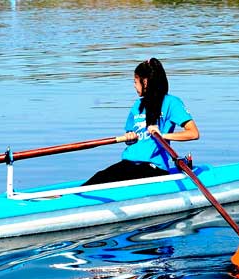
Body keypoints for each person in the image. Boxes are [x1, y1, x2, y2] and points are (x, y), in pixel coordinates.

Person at [83, 58, 199, 186]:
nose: (134, 85)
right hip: (129, 163)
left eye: (135, 82)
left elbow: (193, 133)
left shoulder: (172, 102)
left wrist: (162, 135)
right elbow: (131, 136)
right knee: (100, 176)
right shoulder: (137, 105)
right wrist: (129, 138)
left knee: (116, 178)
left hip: (153, 168)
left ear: (145, 82)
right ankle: (64, 201)